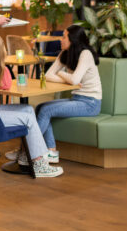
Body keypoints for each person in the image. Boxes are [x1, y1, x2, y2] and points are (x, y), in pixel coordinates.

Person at [0, 35, 63, 177]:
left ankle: (26, 155)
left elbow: (5, 84)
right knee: (28, 119)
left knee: (28, 110)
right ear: (1, 51)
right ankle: (38, 162)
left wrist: (1, 64)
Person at [7, 24, 102, 163]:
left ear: (73, 40)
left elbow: (75, 79)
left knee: (46, 110)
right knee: (40, 107)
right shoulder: (65, 53)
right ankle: (50, 151)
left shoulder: (85, 54)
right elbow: (49, 74)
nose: (60, 39)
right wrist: (67, 78)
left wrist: (63, 74)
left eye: (64, 37)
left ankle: (27, 151)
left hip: (90, 103)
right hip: (77, 98)